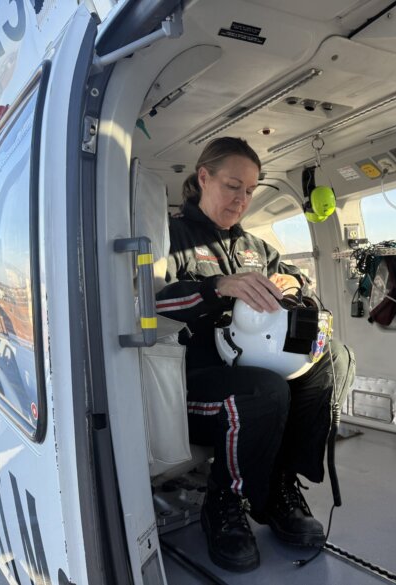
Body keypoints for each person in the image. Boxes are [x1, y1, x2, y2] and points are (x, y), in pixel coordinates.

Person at [155, 137, 355, 572]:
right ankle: (224, 501)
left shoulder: (257, 249)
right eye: (232, 186)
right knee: (263, 391)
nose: (242, 200)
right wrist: (216, 287)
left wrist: (294, 289)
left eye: (249, 191)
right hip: (192, 384)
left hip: (252, 369)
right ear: (203, 177)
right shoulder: (169, 238)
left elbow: (300, 283)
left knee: (335, 358)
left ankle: (280, 487)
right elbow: (151, 305)